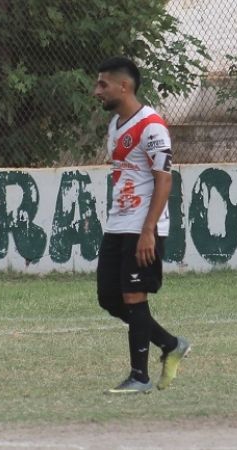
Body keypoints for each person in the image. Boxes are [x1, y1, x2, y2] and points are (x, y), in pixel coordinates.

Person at [93, 56, 191, 394]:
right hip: (118, 224)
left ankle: (140, 377)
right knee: (109, 297)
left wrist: (149, 229)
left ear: (125, 86)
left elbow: (164, 180)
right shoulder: (115, 125)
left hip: (142, 225)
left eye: (103, 84)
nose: (97, 91)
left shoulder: (151, 126)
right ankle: (170, 343)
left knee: (134, 296)